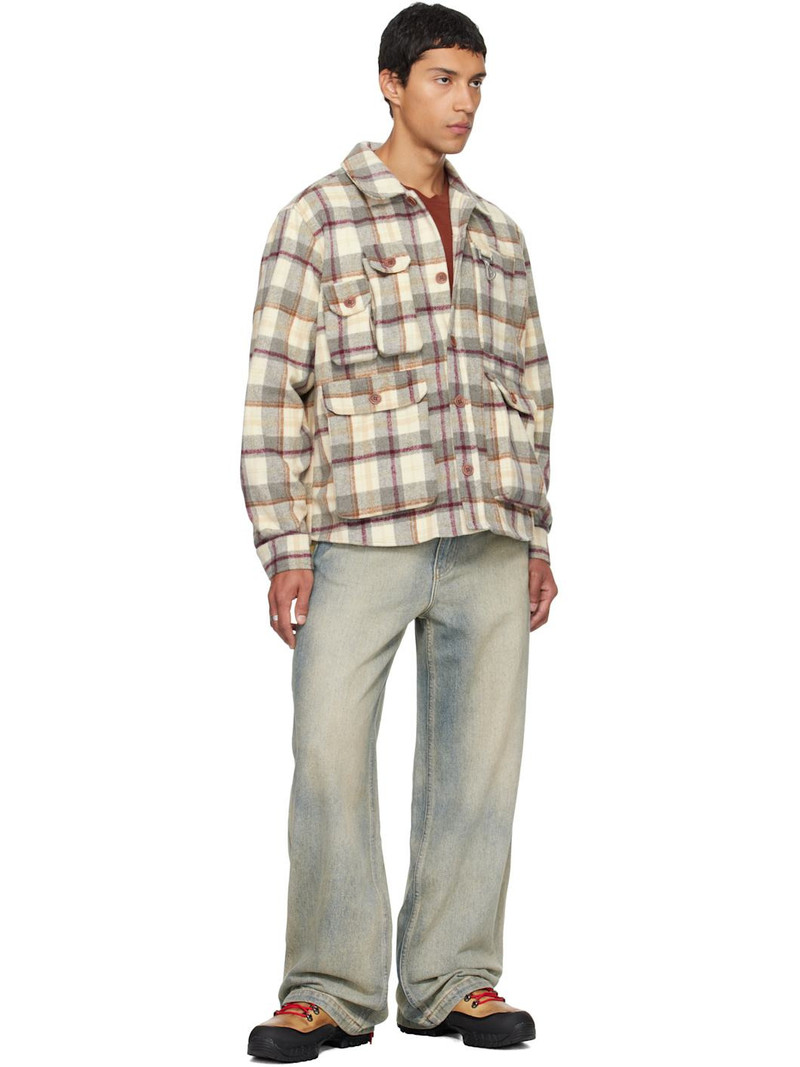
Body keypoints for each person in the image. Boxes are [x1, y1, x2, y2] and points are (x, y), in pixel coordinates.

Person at [239, 3, 557, 1059]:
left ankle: (455, 979)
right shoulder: (318, 218)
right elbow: (274, 392)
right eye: (442, 79)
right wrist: (283, 545)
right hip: (359, 534)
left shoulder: (499, 234)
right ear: (390, 82)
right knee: (328, 757)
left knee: (478, 772)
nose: (463, 102)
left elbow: (531, 389)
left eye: (476, 82)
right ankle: (327, 989)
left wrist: (536, 534)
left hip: (487, 535)